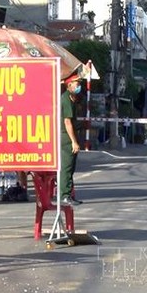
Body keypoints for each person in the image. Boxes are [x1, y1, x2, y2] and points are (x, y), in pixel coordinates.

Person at [59, 78, 82, 206]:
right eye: (77, 84)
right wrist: (74, 141)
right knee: (66, 168)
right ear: (69, 85)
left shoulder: (72, 99)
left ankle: (69, 195)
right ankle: (64, 196)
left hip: (69, 137)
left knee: (71, 168)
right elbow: (67, 122)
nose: (79, 87)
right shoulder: (66, 99)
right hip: (66, 138)